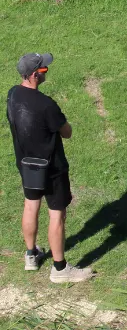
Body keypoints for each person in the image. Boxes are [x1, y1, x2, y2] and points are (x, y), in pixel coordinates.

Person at [6, 53, 94, 283]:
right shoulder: (46, 105)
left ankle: (31, 254)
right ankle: (60, 268)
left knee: (30, 205)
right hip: (52, 169)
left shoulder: (13, 94)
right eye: (44, 69)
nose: (46, 71)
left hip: (26, 164)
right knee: (57, 214)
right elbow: (67, 132)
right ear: (35, 75)